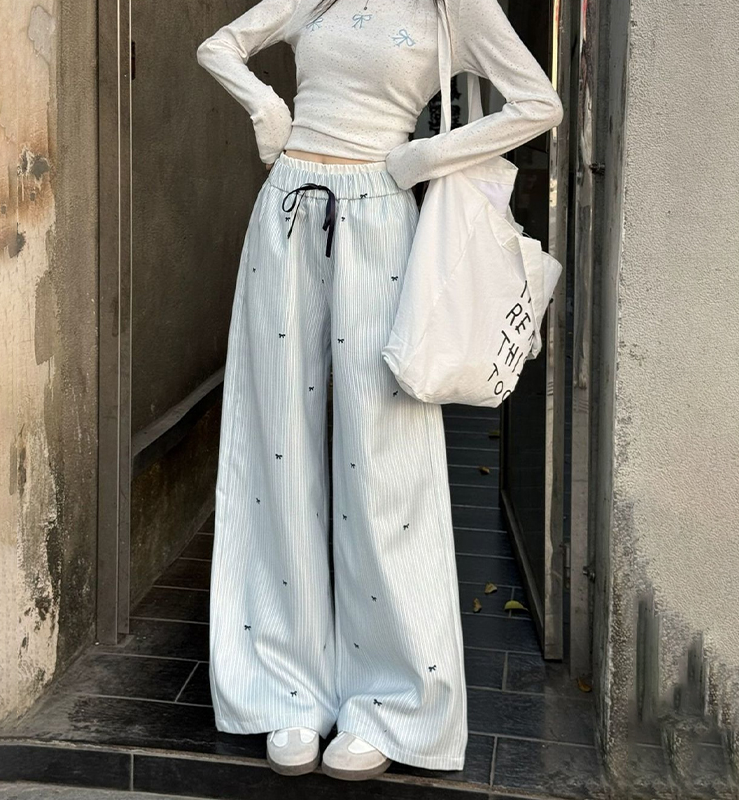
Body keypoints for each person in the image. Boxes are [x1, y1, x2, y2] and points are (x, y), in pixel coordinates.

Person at [195, 0, 562, 781]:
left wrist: (421, 159)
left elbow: (539, 103)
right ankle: (282, 687)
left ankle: (395, 701)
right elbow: (220, 46)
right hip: (285, 213)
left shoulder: (456, 7)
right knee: (273, 447)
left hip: (381, 222)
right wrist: (267, 106)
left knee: (384, 460)